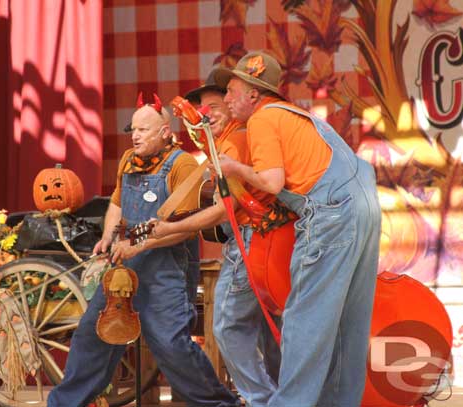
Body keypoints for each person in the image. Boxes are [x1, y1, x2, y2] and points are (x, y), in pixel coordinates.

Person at [208, 51, 381, 407]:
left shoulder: (261, 120)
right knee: (349, 323)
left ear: (253, 95)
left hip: (330, 211)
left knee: (304, 319)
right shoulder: (297, 115)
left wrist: (233, 167)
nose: (225, 99)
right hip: (365, 204)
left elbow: (271, 183)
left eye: (231, 91)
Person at [47, 95, 240, 407]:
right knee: (93, 335)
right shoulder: (128, 161)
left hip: (166, 271)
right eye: (132, 129)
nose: (134, 136)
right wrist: (109, 235)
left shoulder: (182, 165)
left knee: (170, 345)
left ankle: (219, 404)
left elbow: (185, 228)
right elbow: (117, 204)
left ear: (165, 132)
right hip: (123, 270)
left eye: (143, 130)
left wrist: (138, 244)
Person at [153, 68, 289, 406]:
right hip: (267, 241)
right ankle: (285, 398)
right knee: (271, 331)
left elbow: (224, 209)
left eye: (215, 105)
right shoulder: (227, 139)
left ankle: (264, 400)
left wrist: (172, 228)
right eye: (202, 108)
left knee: (228, 328)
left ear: (233, 103)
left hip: (248, 241)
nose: (205, 113)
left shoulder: (237, 138)